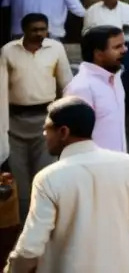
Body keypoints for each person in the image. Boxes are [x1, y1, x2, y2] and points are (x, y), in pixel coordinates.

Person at [5, 98, 129, 273]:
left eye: (47, 129)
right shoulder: (124, 163)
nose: (44, 135)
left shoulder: (48, 178)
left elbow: (30, 248)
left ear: (63, 132)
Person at [0, 14, 73, 219]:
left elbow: (67, 84)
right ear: (24, 30)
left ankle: (46, 226)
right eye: (35, 29)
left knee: (45, 176)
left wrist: (67, 120)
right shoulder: (8, 51)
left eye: (43, 29)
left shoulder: (55, 49)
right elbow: (1, 91)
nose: (40, 33)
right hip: (15, 123)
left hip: (46, 121)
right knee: (20, 180)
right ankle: (23, 229)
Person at [84, 0, 129, 112]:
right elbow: (86, 34)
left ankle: (128, 111)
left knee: (127, 82)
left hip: (126, 51)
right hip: (102, 52)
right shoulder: (92, 11)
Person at [63, 26, 127, 152]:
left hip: (118, 163)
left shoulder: (115, 78)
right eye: (117, 47)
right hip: (94, 168)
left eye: (124, 44)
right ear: (98, 54)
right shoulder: (81, 87)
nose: (125, 49)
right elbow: (75, 140)